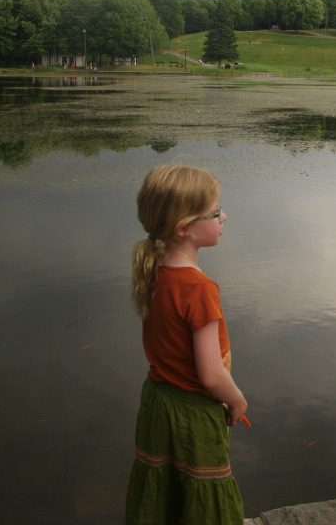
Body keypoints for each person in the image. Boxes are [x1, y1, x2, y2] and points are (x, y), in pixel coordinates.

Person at [125, 164, 247, 525]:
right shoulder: (199, 289)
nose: (223, 216)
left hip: (158, 403)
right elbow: (210, 374)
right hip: (194, 412)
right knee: (204, 498)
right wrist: (237, 400)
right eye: (214, 212)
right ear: (184, 228)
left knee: (163, 491)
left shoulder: (153, 269)